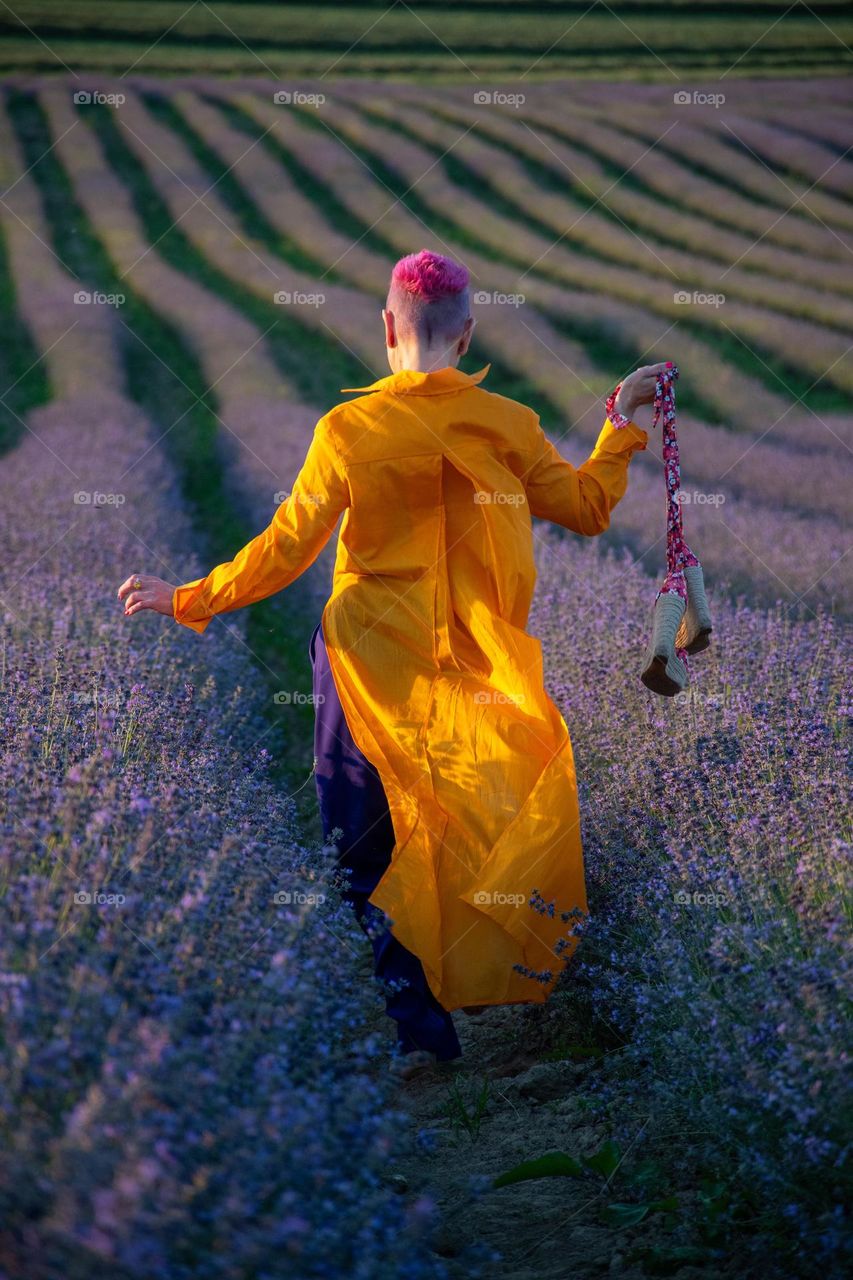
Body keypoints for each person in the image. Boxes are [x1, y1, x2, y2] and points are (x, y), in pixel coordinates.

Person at [118, 248, 665, 1080]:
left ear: (385, 328)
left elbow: (285, 548)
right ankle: (499, 987)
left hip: (366, 664)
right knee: (467, 820)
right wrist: (621, 423)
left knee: (364, 844)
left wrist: (191, 596)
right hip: (473, 667)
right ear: (468, 333)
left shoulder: (347, 429)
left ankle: (419, 1028)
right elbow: (588, 509)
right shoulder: (508, 423)